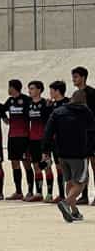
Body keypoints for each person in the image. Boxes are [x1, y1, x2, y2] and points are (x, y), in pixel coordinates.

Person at [43, 89, 95, 222]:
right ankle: (66, 203)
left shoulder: (58, 111)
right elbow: (91, 127)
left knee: (69, 181)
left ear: (71, 99)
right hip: (79, 153)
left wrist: (45, 151)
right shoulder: (85, 111)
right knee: (81, 182)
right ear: (84, 101)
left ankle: (74, 211)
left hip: (61, 153)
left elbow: (48, 132)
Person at [3, 79, 33, 200]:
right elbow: (1, 110)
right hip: (12, 137)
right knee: (14, 163)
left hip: (24, 136)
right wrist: (5, 119)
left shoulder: (26, 99)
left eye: (9, 87)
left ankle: (30, 191)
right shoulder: (9, 101)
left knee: (26, 163)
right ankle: (18, 191)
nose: (8, 89)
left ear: (14, 88)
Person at [71, 66, 95, 205]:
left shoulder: (92, 93)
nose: (74, 79)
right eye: (73, 77)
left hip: (92, 134)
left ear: (83, 77)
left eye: (76, 77)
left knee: (93, 165)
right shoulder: (76, 94)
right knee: (82, 167)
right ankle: (84, 196)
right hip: (81, 136)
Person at [27, 80, 53, 202]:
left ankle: (49, 193)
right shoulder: (29, 104)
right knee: (36, 166)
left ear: (39, 90)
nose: (30, 91)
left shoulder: (45, 103)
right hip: (32, 139)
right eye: (29, 89)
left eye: (32, 88)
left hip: (43, 140)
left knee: (46, 166)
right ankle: (38, 193)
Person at [49, 80, 70, 202]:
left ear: (57, 91)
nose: (50, 93)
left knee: (69, 168)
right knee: (58, 168)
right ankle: (62, 195)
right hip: (55, 141)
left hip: (66, 140)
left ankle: (75, 195)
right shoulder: (51, 105)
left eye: (51, 91)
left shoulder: (68, 103)